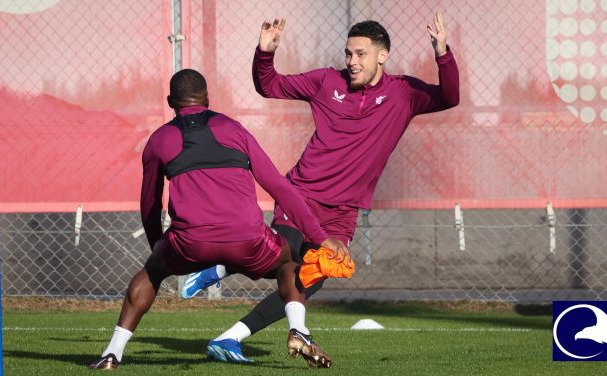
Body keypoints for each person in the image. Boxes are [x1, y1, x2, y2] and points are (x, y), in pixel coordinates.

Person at [180, 12, 460, 362]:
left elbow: (450, 96)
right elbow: (270, 86)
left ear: (382, 56)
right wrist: (265, 53)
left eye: (360, 54)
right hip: (302, 194)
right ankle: (218, 268)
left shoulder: (404, 93)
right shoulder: (327, 82)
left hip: (343, 211)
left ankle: (229, 338)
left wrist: (442, 53)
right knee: (283, 256)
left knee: (310, 279)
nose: (352, 61)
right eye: (348, 53)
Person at [87, 69, 347, 370]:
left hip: (190, 243)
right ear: (208, 99)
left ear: (171, 101)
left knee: (152, 273)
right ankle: (298, 329)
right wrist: (319, 236)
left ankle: (112, 354)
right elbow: (278, 185)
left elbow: (150, 204)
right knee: (289, 264)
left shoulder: (159, 140)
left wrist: (158, 248)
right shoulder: (233, 129)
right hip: (248, 239)